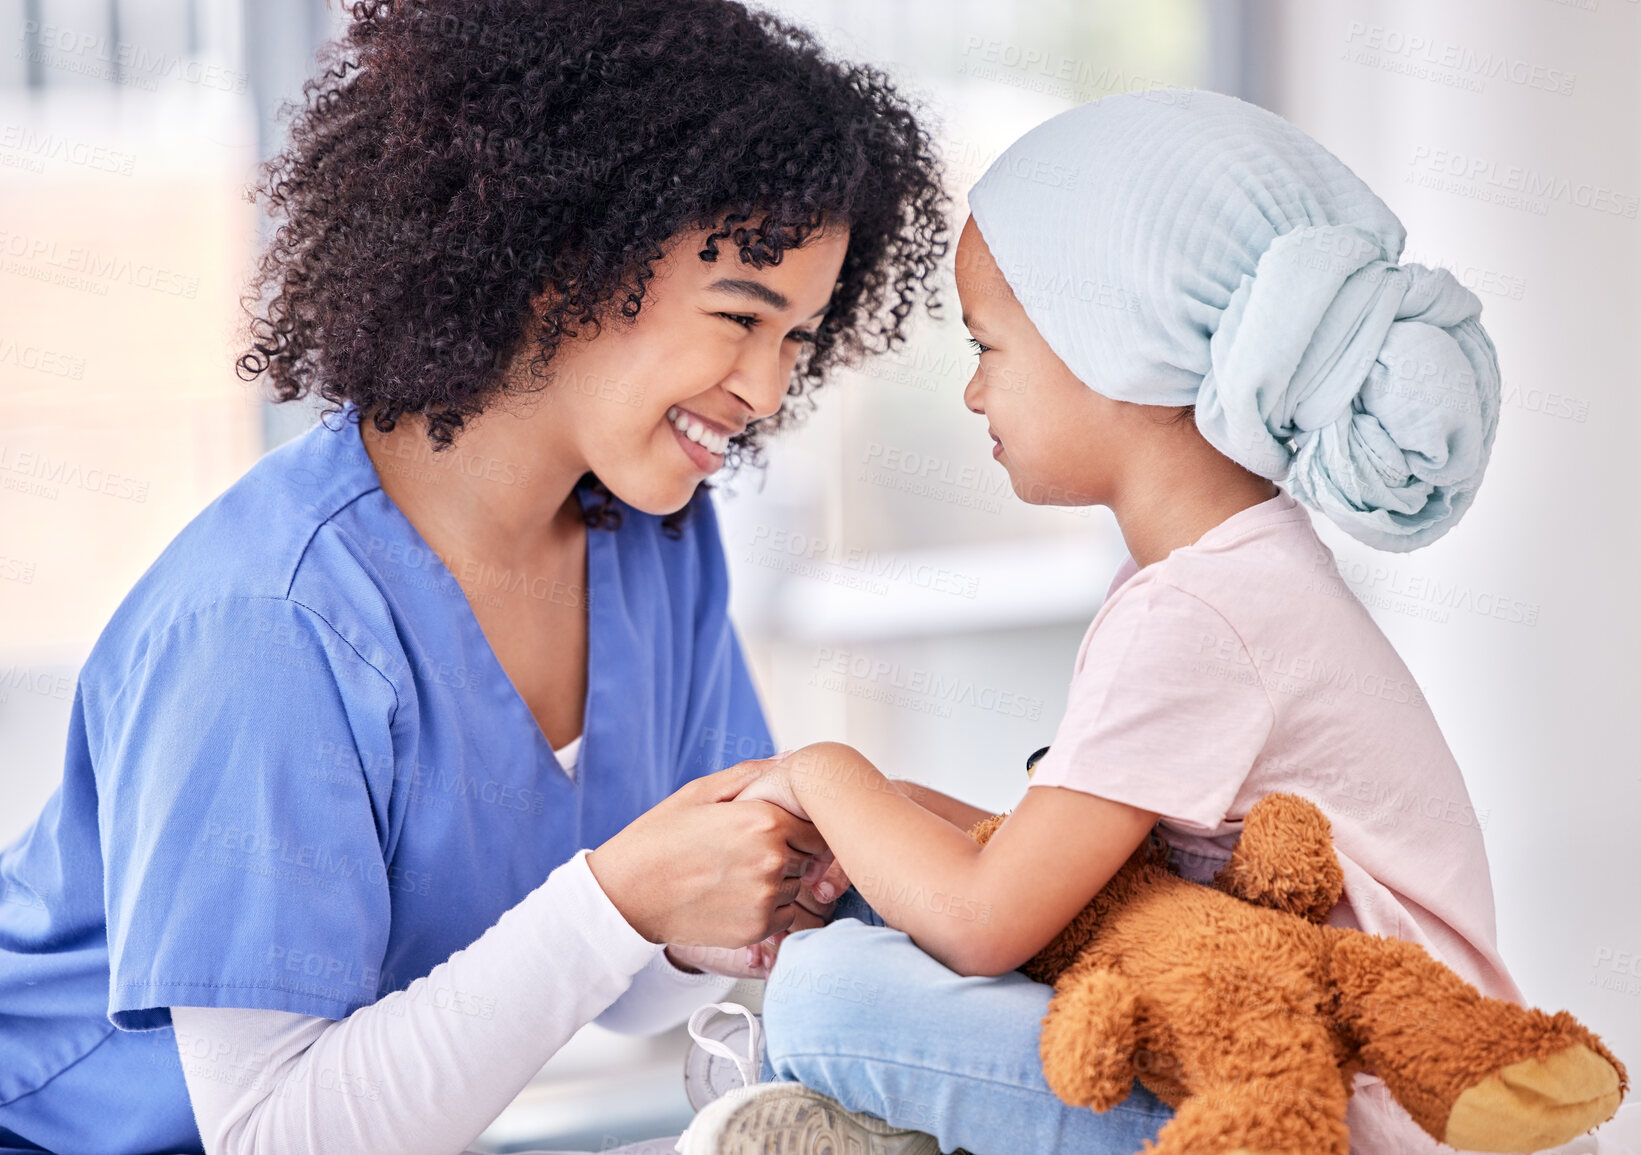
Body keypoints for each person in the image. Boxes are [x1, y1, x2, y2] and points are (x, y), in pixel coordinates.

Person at [0, 2, 951, 1152]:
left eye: (799, 337)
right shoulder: (272, 620)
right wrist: (619, 896)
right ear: (567, 260)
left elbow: (631, 986)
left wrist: (727, 908)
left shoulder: (655, 542)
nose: (765, 390)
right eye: (740, 317)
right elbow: (276, 1134)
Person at [677, 90, 1521, 1155]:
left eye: (988, 345)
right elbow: (1064, 867)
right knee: (869, 911)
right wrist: (872, 822)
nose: (974, 393)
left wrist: (822, 771)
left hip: (1334, 1107)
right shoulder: (1229, 571)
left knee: (829, 998)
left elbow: (989, 922)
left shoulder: (1198, 613)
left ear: (1116, 343)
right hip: (1271, 1040)